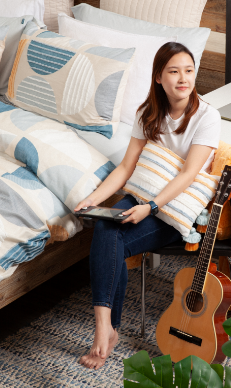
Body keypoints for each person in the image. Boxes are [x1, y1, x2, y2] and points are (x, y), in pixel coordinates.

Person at [74, 42, 221, 369]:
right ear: (158, 77)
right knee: (105, 225)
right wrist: (93, 199)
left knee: (114, 239)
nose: (183, 78)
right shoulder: (148, 113)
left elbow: (187, 175)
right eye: (174, 71)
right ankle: (106, 327)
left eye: (188, 70)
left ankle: (106, 329)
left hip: (173, 210)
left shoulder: (208, 117)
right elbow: (126, 168)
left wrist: (150, 207)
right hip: (141, 198)